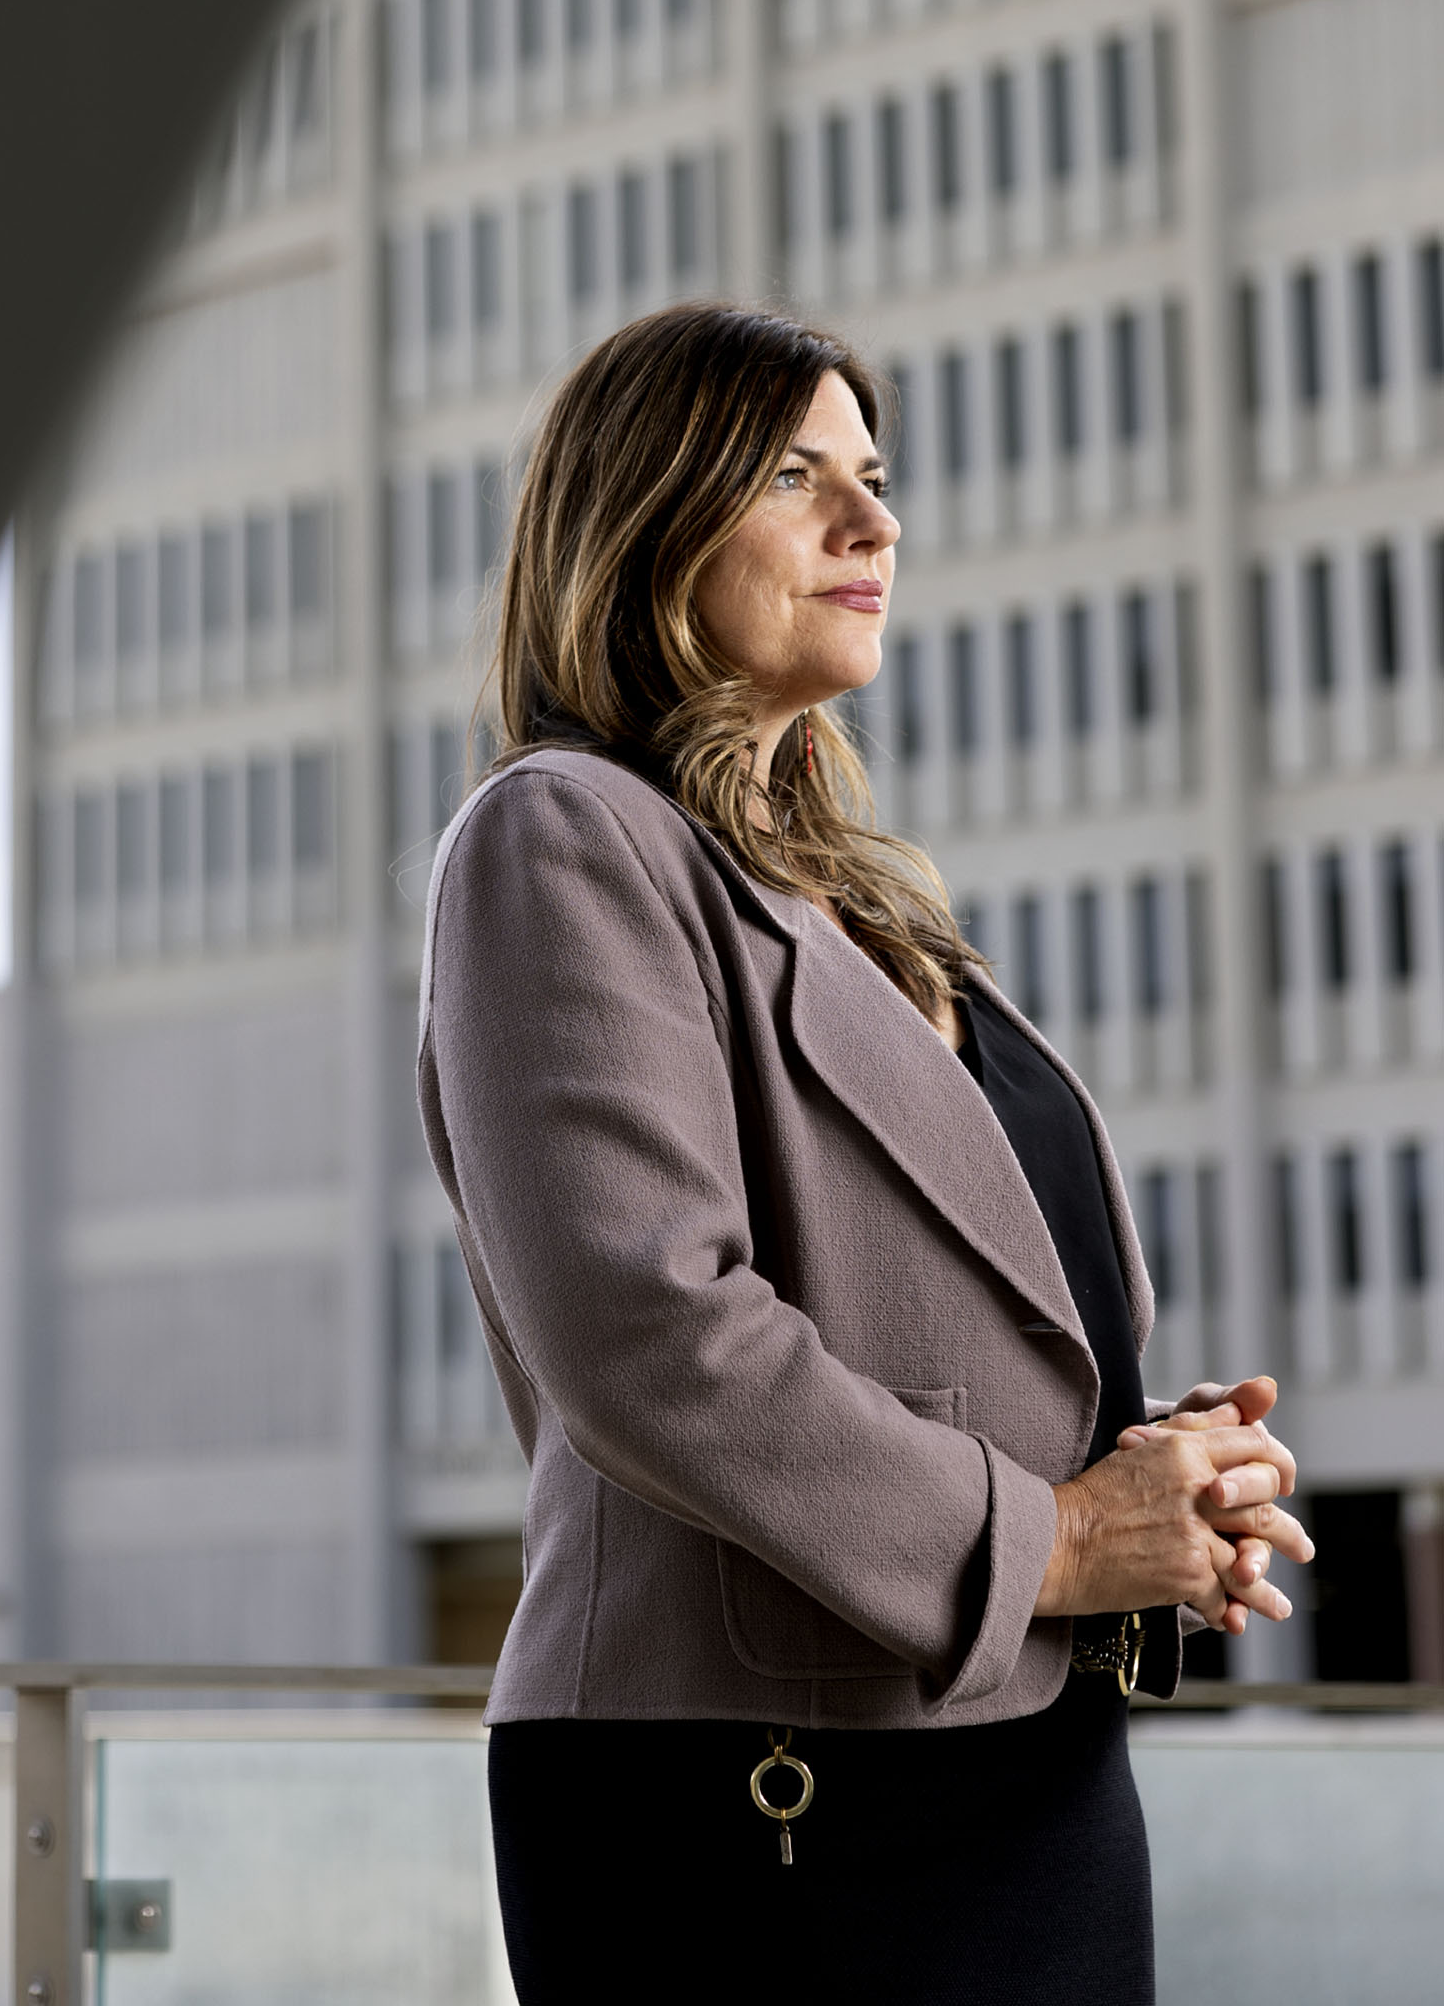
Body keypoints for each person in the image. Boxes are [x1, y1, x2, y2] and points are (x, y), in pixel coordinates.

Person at [416, 305, 1311, 2006]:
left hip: (1010, 1759)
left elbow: (967, 1311)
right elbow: (649, 1330)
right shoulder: (566, 832)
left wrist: (1162, 1483)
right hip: (761, 1787)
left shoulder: (861, 903)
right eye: (793, 473)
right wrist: (1050, 1539)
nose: (873, 523)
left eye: (878, 478)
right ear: (648, 519)